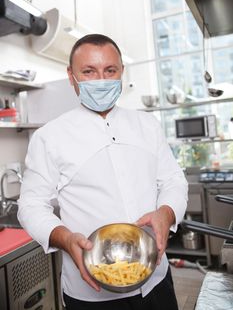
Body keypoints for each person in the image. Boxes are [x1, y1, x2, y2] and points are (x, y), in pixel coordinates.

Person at [18, 33, 188, 310]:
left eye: (110, 70)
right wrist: (64, 237)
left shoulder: (147, 125)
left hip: (156, 279)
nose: (101, 80)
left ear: (121, 72)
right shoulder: (50, 137)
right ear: (71, 76)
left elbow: (172, 181)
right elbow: (30, 205)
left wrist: (166, 212)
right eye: (89, 71)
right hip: (91, 293)